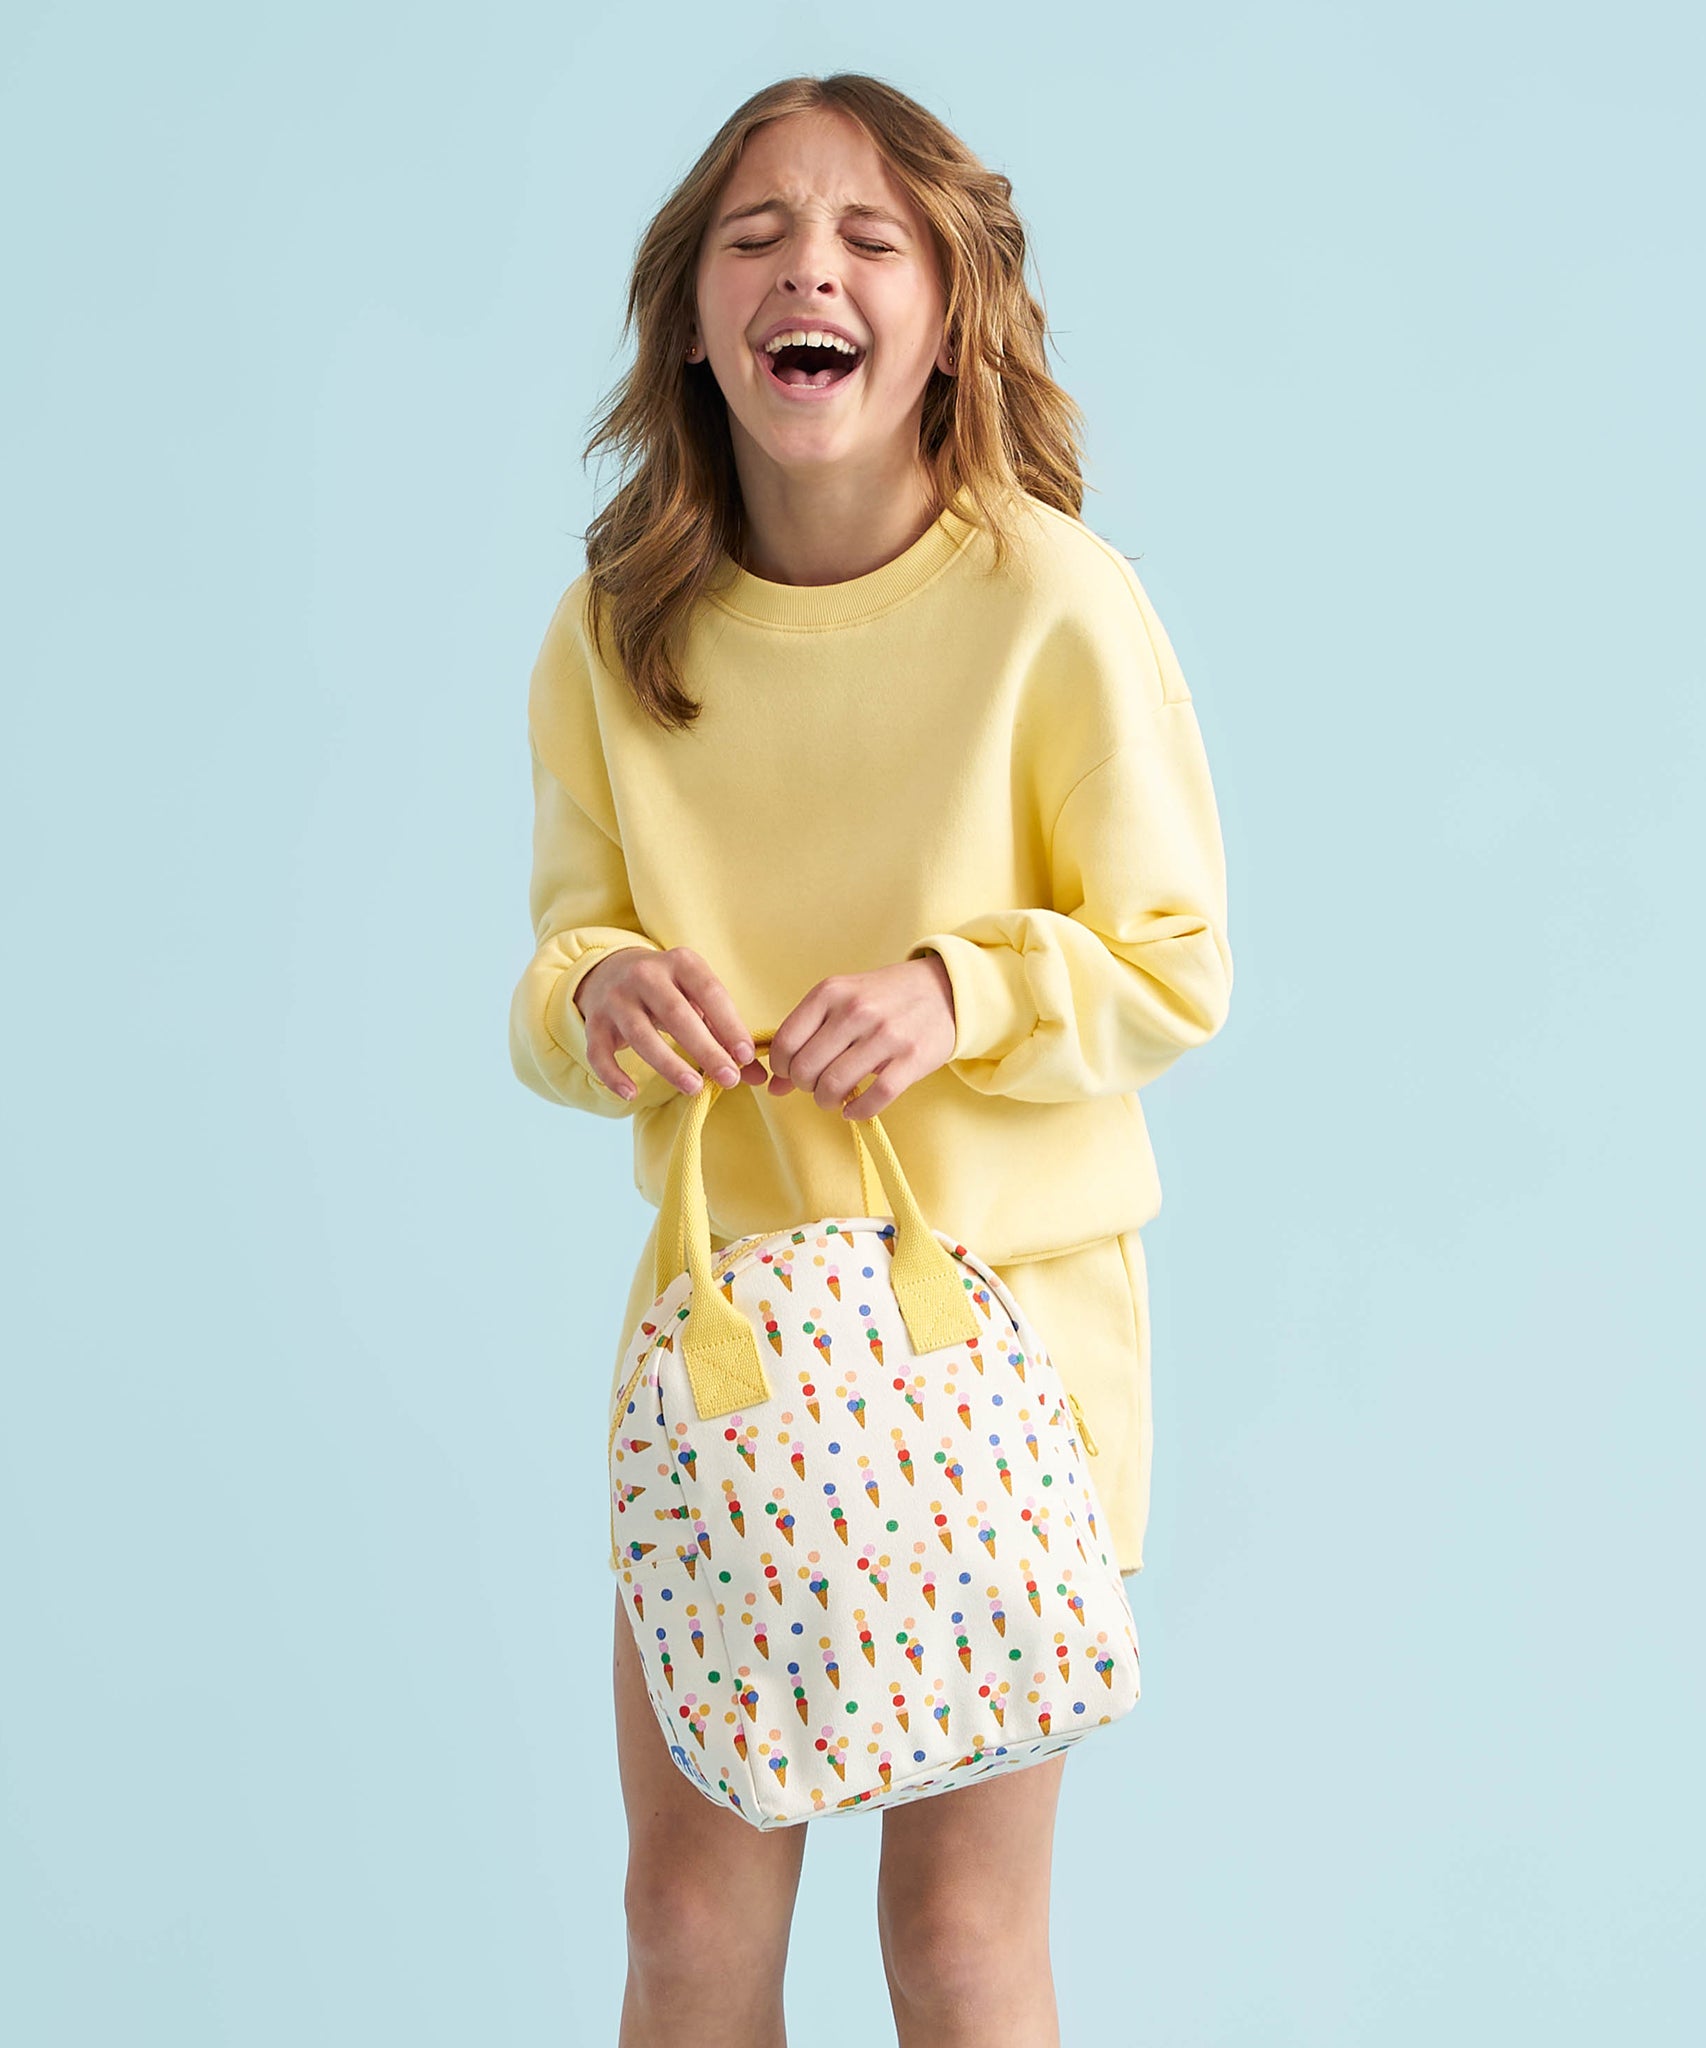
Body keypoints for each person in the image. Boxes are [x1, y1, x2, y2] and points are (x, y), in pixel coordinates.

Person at [508, 71, 1233, 2048]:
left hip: (999, 1342)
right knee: (683, 1917)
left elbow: (1175, 964)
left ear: (946, 316)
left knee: (961, 1941)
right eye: (753, 237)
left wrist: (957, 987)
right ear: (690, 317)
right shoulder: (616, 633)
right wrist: (595, 999)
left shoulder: (1054, 608)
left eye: (865, 239)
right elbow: (559, 953)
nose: (806, 267)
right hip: (731, 1333)